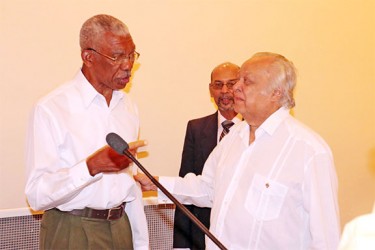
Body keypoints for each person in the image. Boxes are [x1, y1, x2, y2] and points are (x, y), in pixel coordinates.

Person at [136, 52, 340, 249]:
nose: (236, 88)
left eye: (247, 82)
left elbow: (326, 238)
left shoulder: (309, 151)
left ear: (275, 93)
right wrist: (156, 183)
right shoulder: (234, 137)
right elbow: (207, 188)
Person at [25, 14, 149, 249]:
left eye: (132, 55)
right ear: (88, 57)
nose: (128, 65)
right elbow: (36, 195)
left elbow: (129, 185)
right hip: (72, 229)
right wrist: (90, 167)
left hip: (121, 226)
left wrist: (141, 243)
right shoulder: (51, 108)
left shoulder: (128, 107)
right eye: (117, 56)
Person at [173, 62, 241, 249]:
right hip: (201, 234)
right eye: (218, 85)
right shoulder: (196, 128)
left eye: (231, 84)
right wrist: (181, 245)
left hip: (241, 233)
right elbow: (185, 187)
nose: (225, 91)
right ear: (211, 90)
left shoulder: (254, 129)